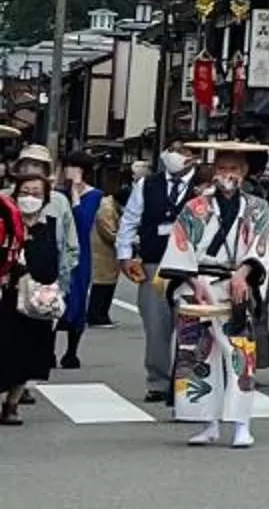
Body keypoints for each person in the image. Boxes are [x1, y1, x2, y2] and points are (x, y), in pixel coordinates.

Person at [159, 138, 269, 450]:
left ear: (246, 172)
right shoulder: (195, 207)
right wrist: (192, 280)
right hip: (196, 283)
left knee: (239, 355)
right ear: (213, 171)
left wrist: (244, 273)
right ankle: (208, 423)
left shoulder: (257, 208)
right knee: (197, 353)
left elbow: (260, 248)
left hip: (235, 283)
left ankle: (241, 424)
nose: (228, 174)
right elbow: (180, 246)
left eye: (235, 168)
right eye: (222, 167)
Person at [118, 142, 189, 404]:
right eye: (174, 150)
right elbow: (130, 220)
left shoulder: (205, 186)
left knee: (191, 325)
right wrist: (125, 255)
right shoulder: (147, 184)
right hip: (154, 262)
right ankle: (158, 381)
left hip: (192, 266)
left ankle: (188, 378)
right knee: (156, 325)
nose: (178, 156)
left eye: (184, 151)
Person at [0, 164, 62, 426]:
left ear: (46, 198)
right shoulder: (5, 223)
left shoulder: (48, 226)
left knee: (28, 353)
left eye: (37, 193)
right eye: (25, 191)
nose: (30, 197)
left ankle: (12, 404)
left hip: (36, 299)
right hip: (5, 296)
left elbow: (51, 265)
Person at [55, 157, 101, 369]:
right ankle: (48, 350)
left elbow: (82, 221)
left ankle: (71, 352)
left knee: (78, 298)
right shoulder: (56, 194)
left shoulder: (94, 195)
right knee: (51, 297)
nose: (69, 171)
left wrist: (75, 193)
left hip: (80, 254)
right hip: (56, 251)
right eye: (67, 167)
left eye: (74, 167)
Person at [87, 164, 121, 331]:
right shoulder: (106, 207)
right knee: (101, 285)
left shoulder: (110, 205)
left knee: (107, 285)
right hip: (102, 251)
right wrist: (123, 241)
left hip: (107, 253)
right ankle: (96, 316)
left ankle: (102, 315)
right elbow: (109, 231)